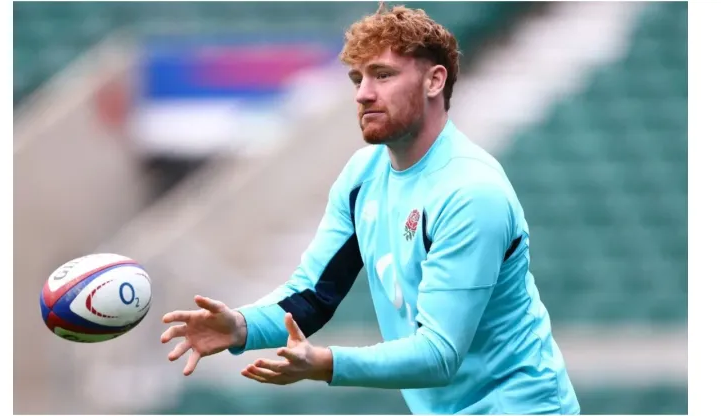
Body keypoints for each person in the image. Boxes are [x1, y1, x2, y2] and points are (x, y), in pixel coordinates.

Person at [161, 3, 581, 414]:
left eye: (383, 75)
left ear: (435, 81)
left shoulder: (471, 192)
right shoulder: (362, 176)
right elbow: (313, 294)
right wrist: (241, 327)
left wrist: (327, 364)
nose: (363, 93)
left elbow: (440, 353)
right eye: (357, 78)